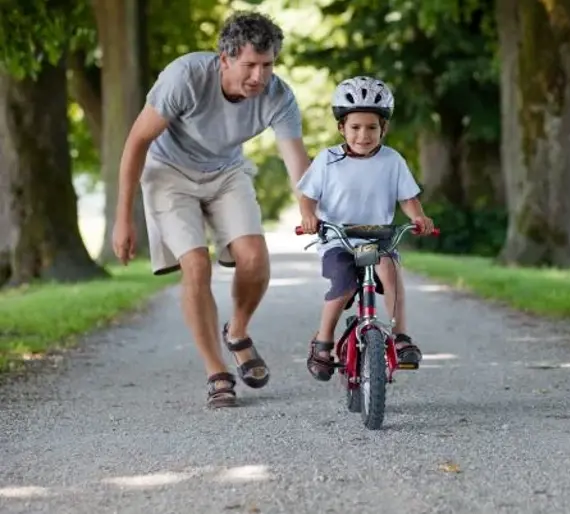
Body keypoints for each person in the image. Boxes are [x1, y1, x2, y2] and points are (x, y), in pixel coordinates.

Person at [111, 11, 312, 408]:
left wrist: (309, 211)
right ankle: (216, 371)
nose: (259, 76)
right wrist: (122, 218)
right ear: (225, 59)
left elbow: (296, 161)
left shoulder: (279, 96)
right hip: (169, 173)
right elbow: (136, 142)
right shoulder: (185, 77)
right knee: (197, 265)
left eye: (267, 65)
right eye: (249, 65)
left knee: (254, 258)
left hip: (225, 172)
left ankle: (237, 332)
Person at [296, 76, 435, 382]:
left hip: (376, 238)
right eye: (355, 127)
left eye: (372, 127)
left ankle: (400, 336)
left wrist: (419, 217)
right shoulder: (327, 160)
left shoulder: (392, 160)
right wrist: (309, 217)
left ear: (383, 128)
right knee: (343, 284)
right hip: (338, 239)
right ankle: (323, 341)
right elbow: (307, 197)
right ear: (341, 128)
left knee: (389, 268)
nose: (363, 135)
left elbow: (408, 198)